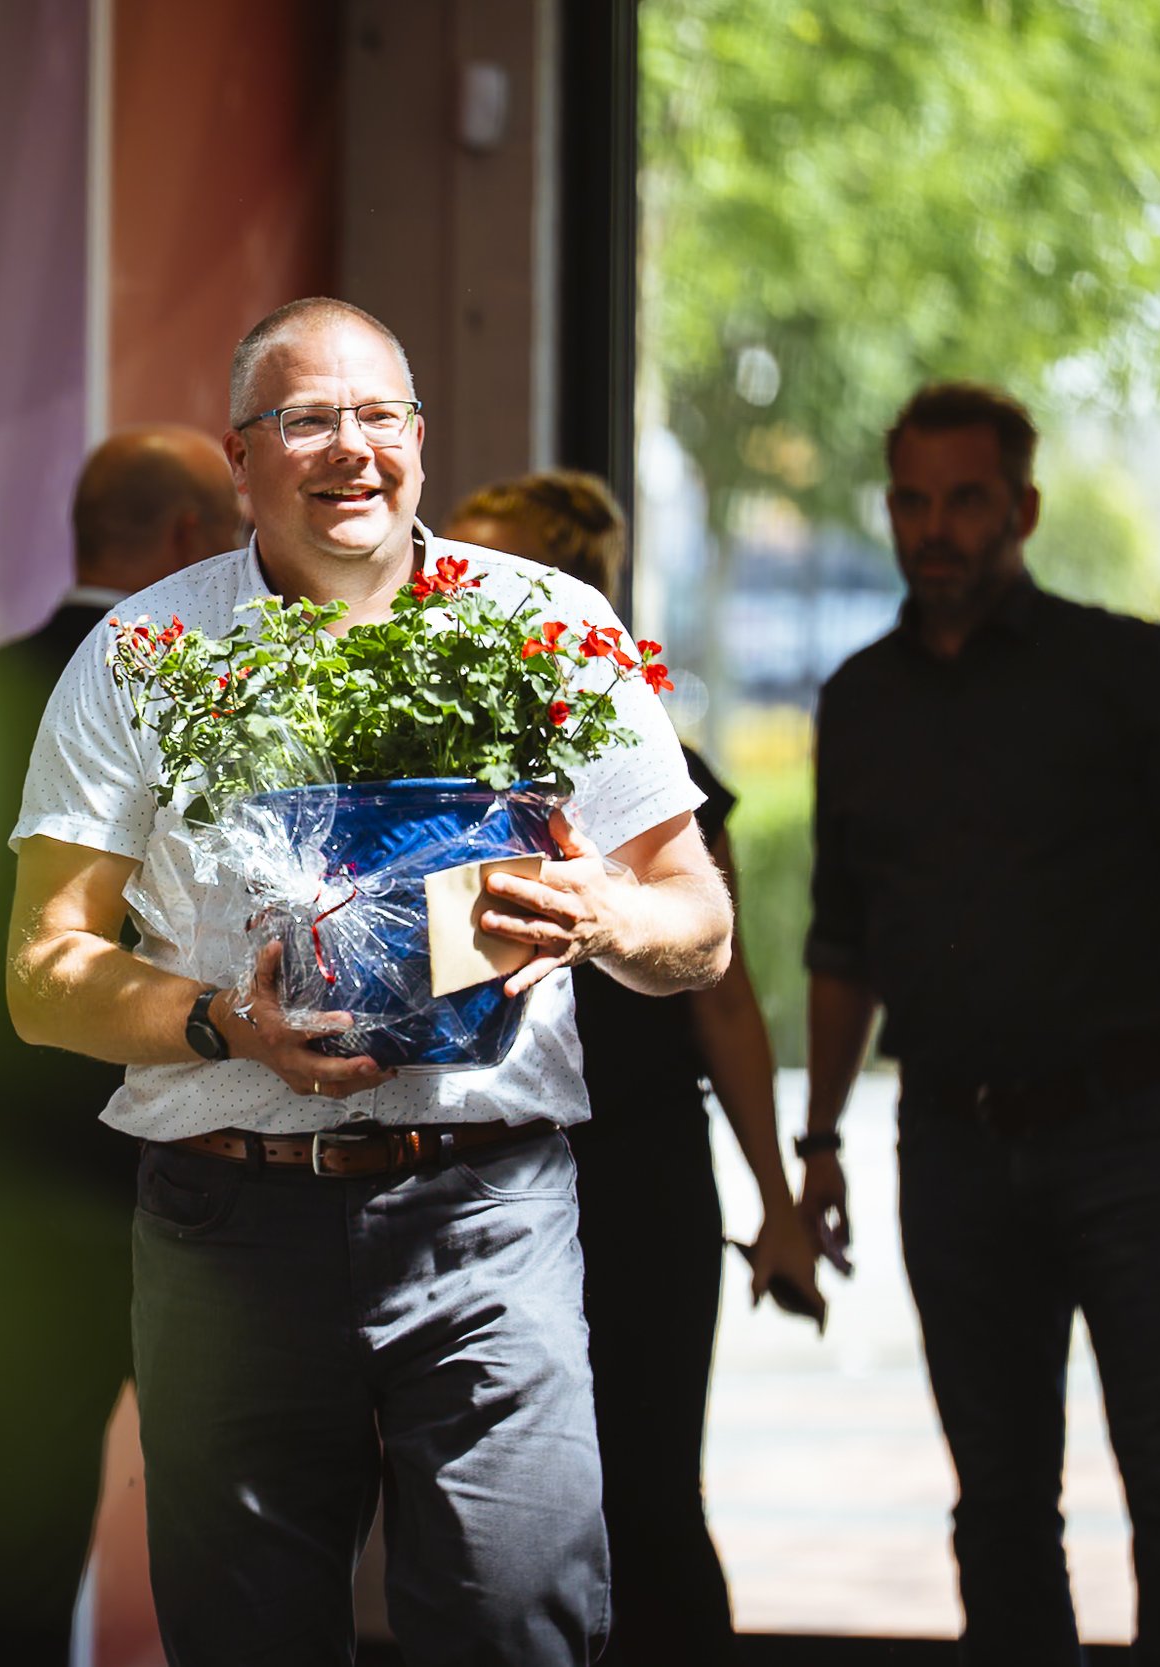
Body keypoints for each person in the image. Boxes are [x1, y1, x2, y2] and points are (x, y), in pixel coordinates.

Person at [4, 296, 733, 1664]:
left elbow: (699, 919)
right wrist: (220, 1019)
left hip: (485, 1205)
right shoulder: (147, 655)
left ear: (417, 437)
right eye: (307, 419)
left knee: (524, 1619)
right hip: (229, 1220)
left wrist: (604, 909)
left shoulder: (543, 629)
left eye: (379, 415)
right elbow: (44, 972)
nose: (352, 449)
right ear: (240, 458)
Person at [797, 380, 1160, 1663]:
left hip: (1142, 1137)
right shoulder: (858, 700)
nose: (932, 527)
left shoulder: (1125, 672)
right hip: (951, 1146)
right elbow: (840, 946)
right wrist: (817, 1143)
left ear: (1023, 507)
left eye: (963, 500)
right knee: (997, 1508)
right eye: (910, 499)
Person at [0, 426, 238, 1664]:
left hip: (20, 1169)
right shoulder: (206, 696)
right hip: (209, 1147)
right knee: (237, 1504)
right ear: (184, 538)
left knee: (24, 1487)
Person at [442, 470, 823, 1667]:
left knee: (649, 1495)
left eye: (480, 568)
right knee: (509, 1516)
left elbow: (726, 1002)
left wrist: (777, 1201)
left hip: (640, 1172)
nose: (448, 593)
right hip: (490, 1169)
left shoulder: (654, 774)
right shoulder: (432, 767)